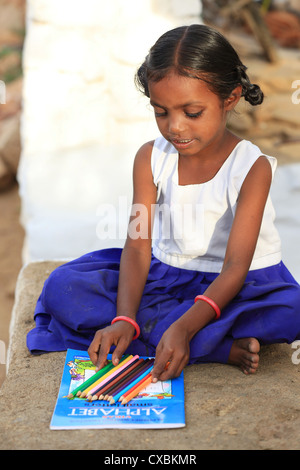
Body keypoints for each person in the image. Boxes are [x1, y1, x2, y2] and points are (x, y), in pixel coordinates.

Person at [27, 24, 300, 382]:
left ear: (230, 98)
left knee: (290, 310)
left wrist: (184, 327)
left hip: (236, 284)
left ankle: (178, 336)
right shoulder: (151, 158)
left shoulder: (252, 167)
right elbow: (138, 246)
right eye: (161, 112)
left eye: (192, 112)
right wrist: (124, 318)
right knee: (64, 286)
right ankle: (214, 347)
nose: (175, 128)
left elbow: (235, 267)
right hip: (164, 276)